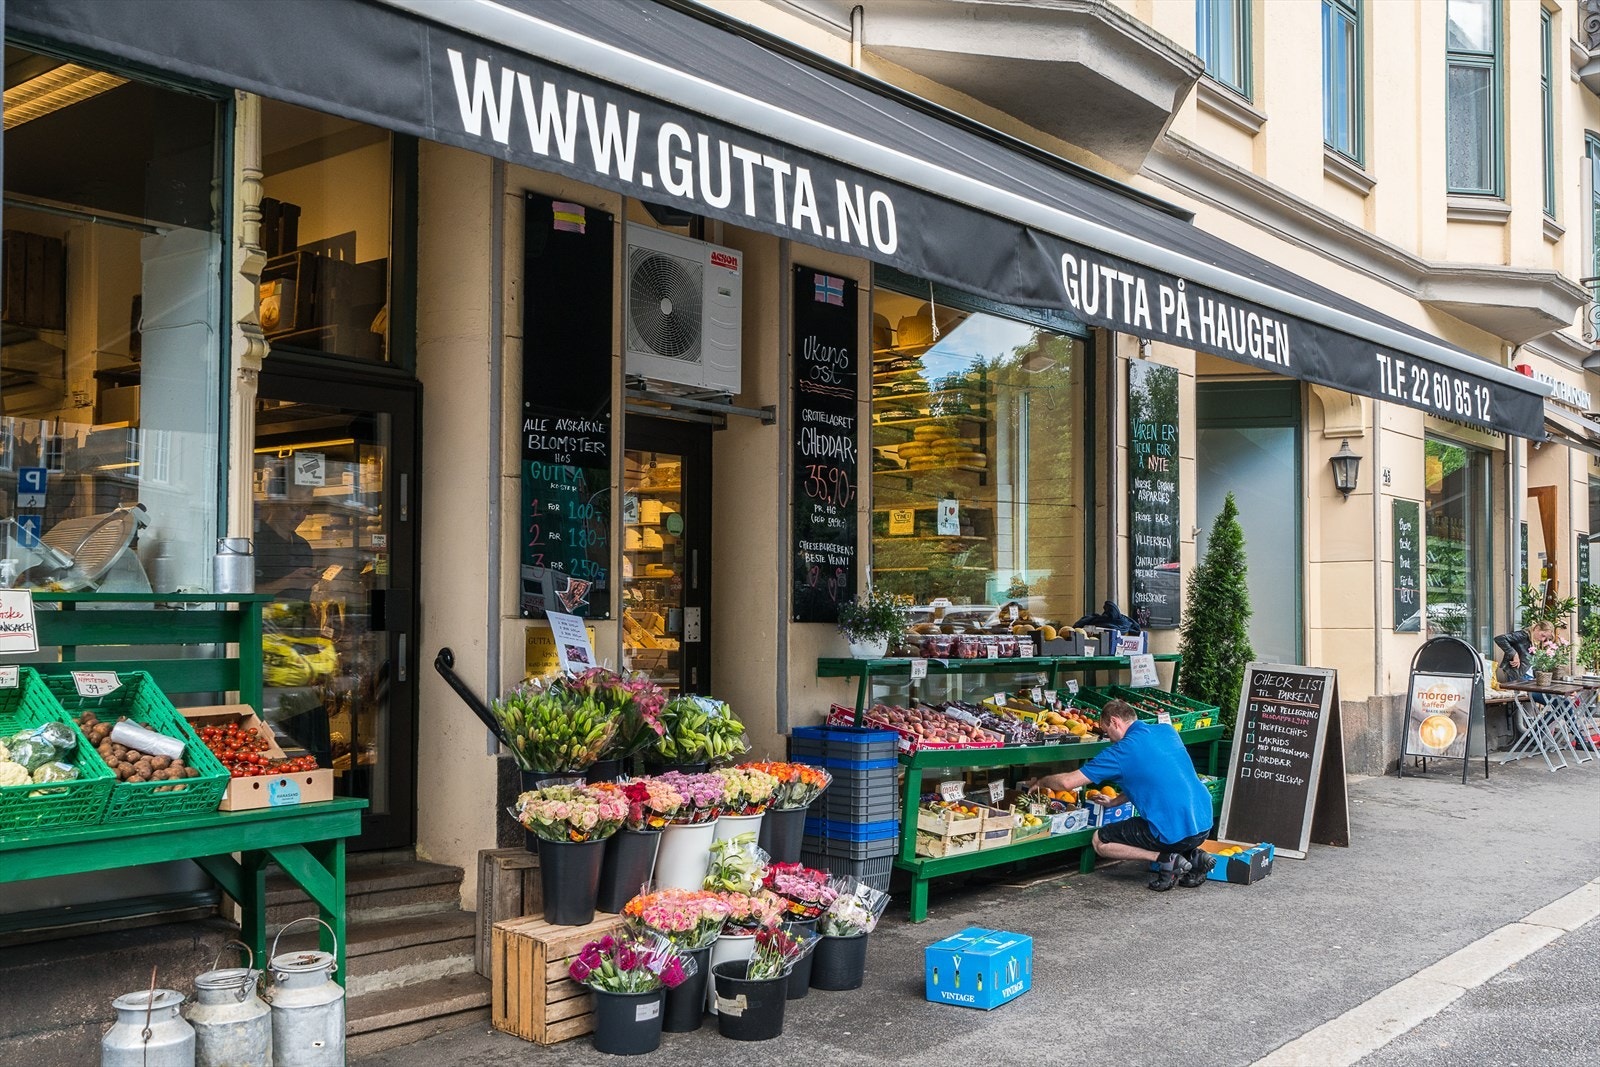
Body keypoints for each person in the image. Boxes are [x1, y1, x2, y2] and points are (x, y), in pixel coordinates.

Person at [1029, 698, 1215, 891]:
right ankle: (1195, 857)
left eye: (1107, 731)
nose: (1109, 738)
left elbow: (1067, 783)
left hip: (1171, 832)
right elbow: (1150, 777)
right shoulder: (1167, 731)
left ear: (1115, 722)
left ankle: (1166, 859)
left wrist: (1041, 781)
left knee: (1100, 840)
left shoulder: (1120, 752)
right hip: (1203, 824)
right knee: (1171, 829)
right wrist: (1115, 801)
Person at [254, 499, 315, 599]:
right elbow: (241, 595)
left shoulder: (302, 545)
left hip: (297, 613)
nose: (300, 517)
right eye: (294, 508)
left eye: (306, 510)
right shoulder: (255, 540)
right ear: (274, 504)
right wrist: (287, 582)